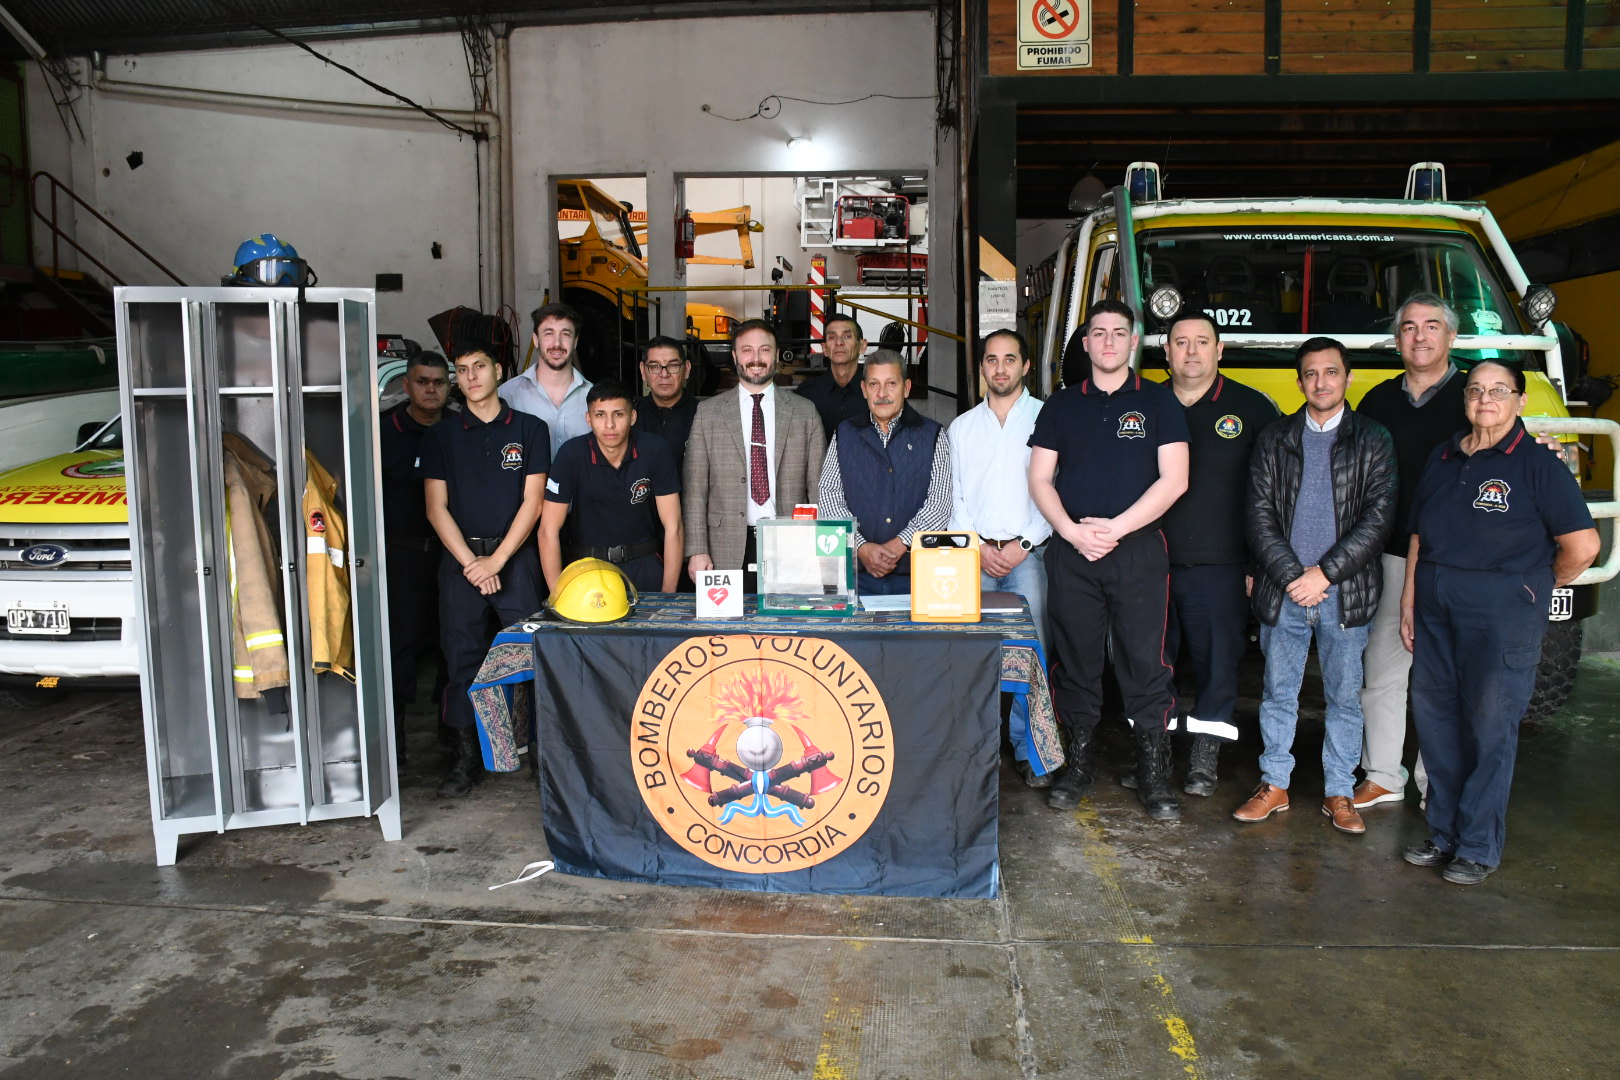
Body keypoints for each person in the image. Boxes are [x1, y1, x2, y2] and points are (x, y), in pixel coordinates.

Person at [1400, 361, 1598, 884]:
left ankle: (1478, 846)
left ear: (1520, 401)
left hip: (1502, 614)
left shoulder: (1538, 463)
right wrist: (1409, 602)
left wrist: (1529, 588)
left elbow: (1583, 546)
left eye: (1499, 390)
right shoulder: (1443, 457)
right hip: (1437, 609)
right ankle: (1442, 833)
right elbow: (1419, 536)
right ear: (1464, 400)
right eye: (1476, 390)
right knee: (1438, 724)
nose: (1486, 399)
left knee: (1490, 729)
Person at [1028, 299, 1189, 820]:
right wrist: (1072, 532)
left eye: (1119, 333)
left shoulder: (1161, 403)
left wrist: (1117, 529)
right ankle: (1077, 765)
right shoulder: (1061, 405)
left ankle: (1153, 771)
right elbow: (1038, 479)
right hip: (1073, 553)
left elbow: (1176, 480)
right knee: (1075, 659)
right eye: (1098, 333)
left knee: (1147, 661)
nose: (1109, 342)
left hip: (1137, 550)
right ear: (1086, 343)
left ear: (1133, 341)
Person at [1237, 338, 1395, 834]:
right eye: (1310, 374)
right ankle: (1275, 784)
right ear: (1299, 381)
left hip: (1344, 593)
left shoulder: (1374, 439)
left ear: (1348, 378)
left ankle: (1339, 792)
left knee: (1345, 698)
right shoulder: (1274, 438)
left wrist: (1322, 574)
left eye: (1331, 372)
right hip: (1285, 591)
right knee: (1278, 692)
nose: (1321, 382)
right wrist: (1292, 576)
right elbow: (1258, 515)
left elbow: (1378, 519)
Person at [1151, 311, 1279, 797]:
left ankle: (1204, 762)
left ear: (1219, 350)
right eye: (1180, 342)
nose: (1191, 352)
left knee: (1217, 666)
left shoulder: (1252, 408)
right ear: (1165, 352)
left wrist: (1255, 564)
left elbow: (1271, 493)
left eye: (1201, 342)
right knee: (1150, 663)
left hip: (1222, 566)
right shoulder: (1144, 403)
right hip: (1150, 563)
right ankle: (1155, 757)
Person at [1352, 292, 1466, 810]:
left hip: (1456, 559)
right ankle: (1382, 774)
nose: (1420, 337)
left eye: (1432, 326)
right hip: (1389, 554)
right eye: (1410, 328)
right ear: (1397, 339)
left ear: (1452, 336)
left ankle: (1436, 782)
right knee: (1382, 671)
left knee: (1444, 677)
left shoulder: (1473, 394)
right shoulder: (1377, 401)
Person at [421, 345, 549, 798]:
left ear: (499, 371)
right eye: (462, 371)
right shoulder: (443, 436)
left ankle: (539, 757)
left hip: (515, 561)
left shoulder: (531, 430)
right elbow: (436, 509)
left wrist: (496, 561)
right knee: (463, 664)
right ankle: (466, 757)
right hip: (461, 564)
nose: (471, 376)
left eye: (480, 367)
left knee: (531, 659)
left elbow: (533, 503)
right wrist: (473, 564)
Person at [948, 329, 1052, 788]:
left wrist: (1020, 546)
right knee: (973, 653)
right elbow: (953, 498)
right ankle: (976, 750)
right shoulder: (962, 427)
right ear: (983, 368)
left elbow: (1054, 494)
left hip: (1028, 555)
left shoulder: (1048, 419)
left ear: (1026, 366)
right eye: (992, 360)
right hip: (975, 556)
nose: (1001, 368)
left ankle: (1030, 750)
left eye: (1010, 359)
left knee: (1031, 652)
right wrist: (979, 547)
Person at [684, 319, 826, 593]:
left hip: (791, 543)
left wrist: (821, 547)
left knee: (788, 628)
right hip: (722, 547)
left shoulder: (805, 412)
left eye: (764, 350)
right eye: (747, 350)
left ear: (775, 355)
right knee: (729, 632)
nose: (756, 359)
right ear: (735, 356)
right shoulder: (708, 413)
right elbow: (695, 489)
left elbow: (819, 488)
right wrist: (697, 550)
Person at [818, 350, 952, 596]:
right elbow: (829, 499)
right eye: (874, 384)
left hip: (919, 575)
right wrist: (861, 547)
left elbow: (940, 504)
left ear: (907, 387)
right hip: (856, 576)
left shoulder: (933, 435)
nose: (882, 394)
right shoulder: (845, 434)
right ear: (864, 389)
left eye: (891, 383)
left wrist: (901, 544)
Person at [538, 379, 683, 594]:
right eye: (600, 415)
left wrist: (668, 594)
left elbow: (674, 527)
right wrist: (558, 595)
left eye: (618, 414)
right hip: (587, 567)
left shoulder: (655, 450)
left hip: (644, 564)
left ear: (633, 417)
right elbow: (547, 531)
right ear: (588, 419)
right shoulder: (571, 454)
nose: (609, 425)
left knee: (650, 627)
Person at [378, 350, 450, 756]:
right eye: (422, 381)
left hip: (451, 556)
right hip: (402, 558)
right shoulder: (384, 433)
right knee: (400, 646)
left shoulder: (459, 430)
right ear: (406, 386)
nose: (431, 389)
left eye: (439, 382)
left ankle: (448, 736)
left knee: (450, 645)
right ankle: (395, 739)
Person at [498, 302, 592, 458]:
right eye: (549, 333)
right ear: (536, 340)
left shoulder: (594, 398)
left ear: (575, 341)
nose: (557, 343)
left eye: (565, 334)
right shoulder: (507, 395)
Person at [632, 336, 700, 474]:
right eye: (654, 366)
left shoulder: (704, 416)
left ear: (686, 369)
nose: (664, 374)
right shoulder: (630, 416)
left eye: (673, 365)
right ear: (643, 371)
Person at [795, 313, 869, 439]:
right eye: (831, 337)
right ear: (824, 348)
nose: (839, 342)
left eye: (847, 336)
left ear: (862, 346)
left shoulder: (876, 391)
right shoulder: (806, 394)